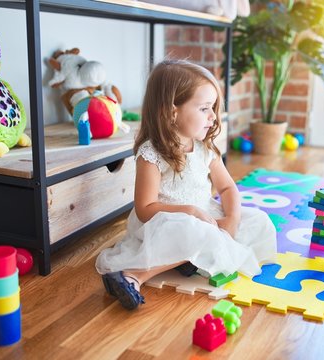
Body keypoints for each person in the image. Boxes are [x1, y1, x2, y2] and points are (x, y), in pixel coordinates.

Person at [96, 59, 277, 310]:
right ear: (172, 112)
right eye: (204, 108)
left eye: (213, 107)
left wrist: (232, 219)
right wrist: (190, 212)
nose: (213, 116)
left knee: (259, 222)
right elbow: (145, 209)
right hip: (163, 223)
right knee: (195, 232)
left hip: (204, 215)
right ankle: (134, 276)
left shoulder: (204, 148)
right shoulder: (151, 154)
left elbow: (227, 189)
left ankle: (186, 259)